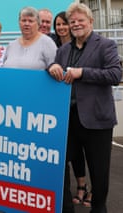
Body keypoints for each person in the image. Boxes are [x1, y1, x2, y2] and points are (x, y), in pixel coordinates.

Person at [47, 3, 122, 213]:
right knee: (59, 166)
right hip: (68, 119)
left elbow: (115, 75)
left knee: (99, 172)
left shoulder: (106, 44)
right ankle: (66, 207)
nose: (76, 24)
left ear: (91, 22)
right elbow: (55, 71)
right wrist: (51, 66)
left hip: (96, 119)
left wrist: (83, 72)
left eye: (81, 20)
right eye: (73, 22)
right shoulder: (63, 50)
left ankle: (99, 208)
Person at [54, 11, 92, 207]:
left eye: (64, 24)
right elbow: (51, 67)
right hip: (64, 110)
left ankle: (84, 187)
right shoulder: (58, 47)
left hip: (86, 109)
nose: (61, 27)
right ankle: (72, 193)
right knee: (68, 154)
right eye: (58, 24)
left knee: (88, 155)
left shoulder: (90, 45)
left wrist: (80, 73)